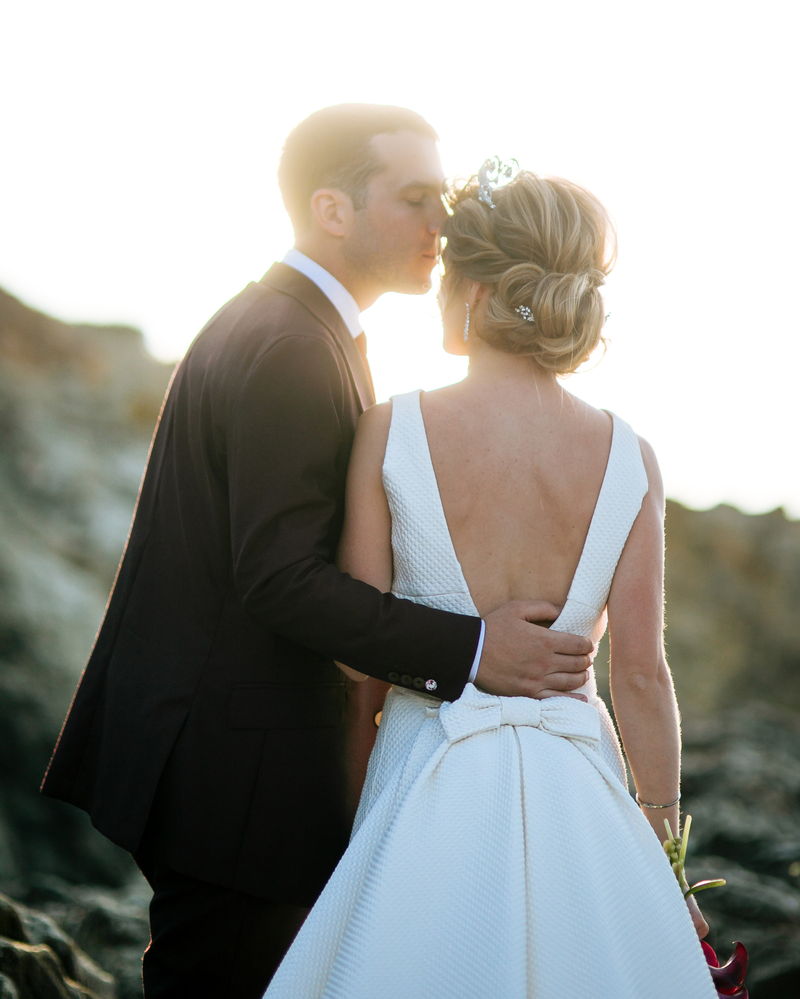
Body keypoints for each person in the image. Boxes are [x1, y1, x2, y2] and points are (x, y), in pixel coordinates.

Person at [40, 110, 595, 999]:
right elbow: (279, 578)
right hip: (234, 766)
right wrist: (478, 649)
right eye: (416, 198)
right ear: (333, 210)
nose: (442, 225)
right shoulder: (294, 346)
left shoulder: (284, 323)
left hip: (212, 745)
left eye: (442, 198)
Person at [264, 162, 716, 998]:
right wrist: (665, 860)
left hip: (423, 772)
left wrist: (356, 827)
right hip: (579, 793)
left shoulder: (392, 426)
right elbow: (644, 677)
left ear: (472, 290)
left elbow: (362, 655)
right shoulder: (630, 455)